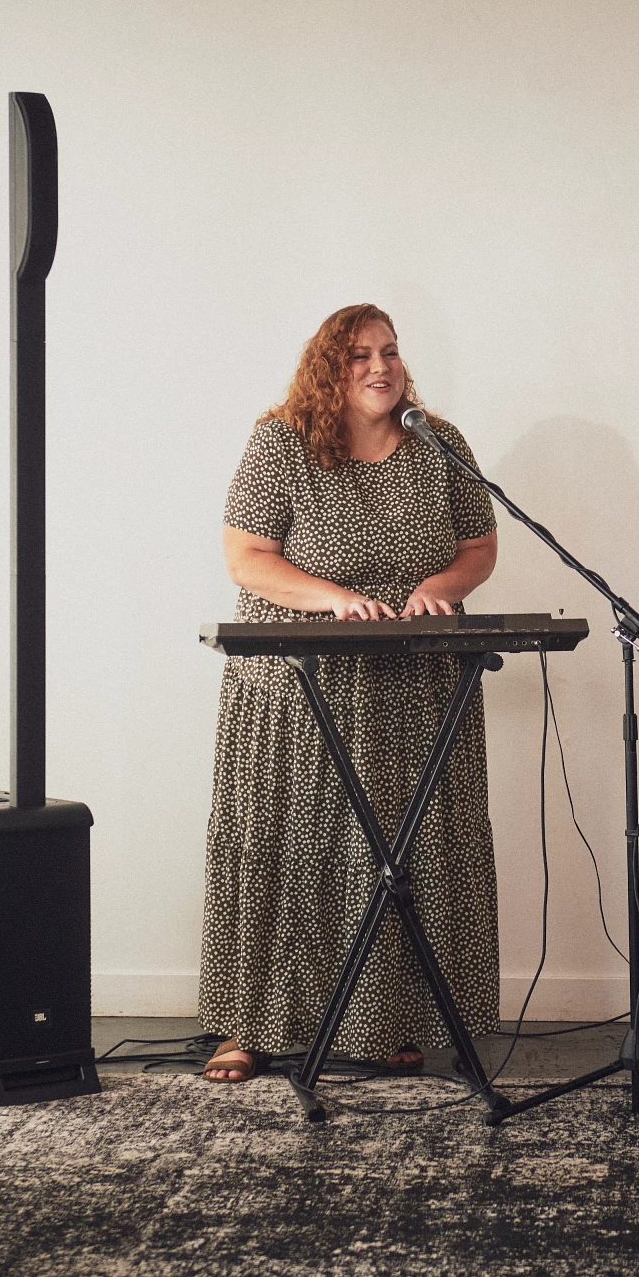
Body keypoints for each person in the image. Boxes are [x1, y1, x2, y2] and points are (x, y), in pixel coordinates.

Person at [199, 304, 500, 1082]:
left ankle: (391, 1018)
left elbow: (480, 546)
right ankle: (251, 1025)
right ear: (328, 368)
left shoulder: (439, 442)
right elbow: (246, 557)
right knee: (289, 846)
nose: (380, 366)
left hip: (414, 687)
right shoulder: (281, 442)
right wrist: (335, 599)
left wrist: (440, 586)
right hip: (301, 686)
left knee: (402, 852)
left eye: (390, 351)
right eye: (360, 354)